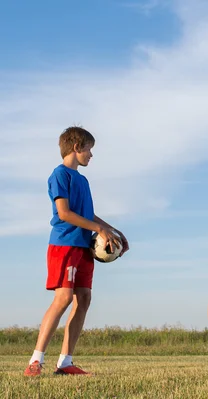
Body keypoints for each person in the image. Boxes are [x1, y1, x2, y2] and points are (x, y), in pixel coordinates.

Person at [24, 126, 129, 376]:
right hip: (65, 245)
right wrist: (98, 229)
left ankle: (65, 363)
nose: (91, 155)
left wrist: (113, 231)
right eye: (89, 149)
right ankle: (35, 361)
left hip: (83, 247)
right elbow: (65, 213)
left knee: (84, 299)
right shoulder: (59, 175)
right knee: (63, 299)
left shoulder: (83, 180)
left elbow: (87, 215)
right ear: (76, 147)